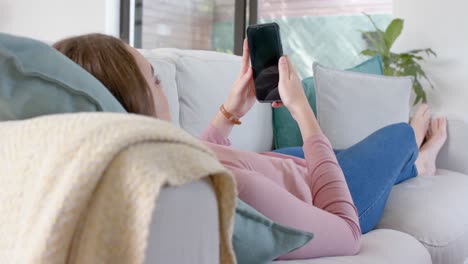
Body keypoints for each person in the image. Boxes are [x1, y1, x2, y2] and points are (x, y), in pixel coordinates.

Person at [53, 33, 447, 260]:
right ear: (131, 101)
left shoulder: (155, 158)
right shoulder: (233, 190)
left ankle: (406, 166)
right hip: (334, 199)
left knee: (342, 152)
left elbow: (204, 150)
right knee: (397, 133)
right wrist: (302, 113)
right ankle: (417, 161)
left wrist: (231, 110)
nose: (162, 87)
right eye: (155, 79)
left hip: (292, 169)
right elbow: (346, 234)